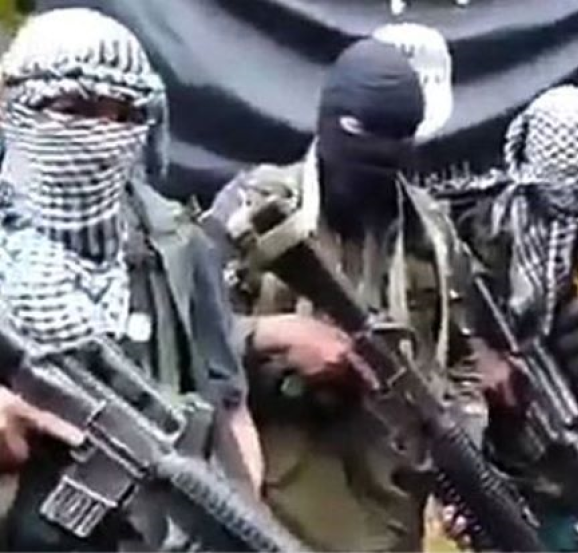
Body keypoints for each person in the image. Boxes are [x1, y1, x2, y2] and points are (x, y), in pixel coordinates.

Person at [208, 38, 486, 551]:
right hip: (269, 518)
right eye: (361, 135)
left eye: (397, 142)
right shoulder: (256, 211)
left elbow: (461, 367)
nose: (378, 160)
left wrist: (465, 469)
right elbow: (182, 338)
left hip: (392, 521)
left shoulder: (431, 235)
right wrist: (272, 335)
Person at [0, 8, 262, 550]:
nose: (102, 135)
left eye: (123, 115)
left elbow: (229, 410)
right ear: (15, 109)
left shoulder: (175, 245)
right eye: (73, 110)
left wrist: (241, 517)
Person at [439, 85, 578, 550]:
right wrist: (479, 357)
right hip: (510, 473)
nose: (563, 215)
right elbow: (438, 362)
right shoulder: (481, 236)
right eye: (550, 197)